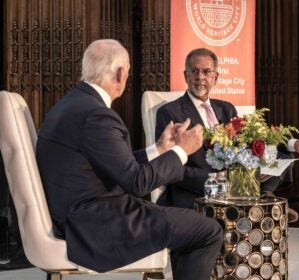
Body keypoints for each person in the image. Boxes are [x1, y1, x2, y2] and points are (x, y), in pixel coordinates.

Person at [36, 39, 223, 280]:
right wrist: (182, 151)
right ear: (121, 73)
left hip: (82, 213)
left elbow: (116, 165)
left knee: (191, 224)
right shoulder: (97, 115)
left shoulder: (71, 104)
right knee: (208, 230)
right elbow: (137, 182)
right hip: (98, 223)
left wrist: (159, 148)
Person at [155, 48, 299, 222]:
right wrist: (215, 179)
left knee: (284, 155)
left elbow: (257, 137)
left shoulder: (226, 108)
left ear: (215, 78)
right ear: (186, 75)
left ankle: (264, 194)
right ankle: (261, 205)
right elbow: (169, 165)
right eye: (194, 71)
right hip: (199, 188)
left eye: (207, 71)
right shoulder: (169, 112)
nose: (200, 77)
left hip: (236, 181)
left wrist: (296, 143)